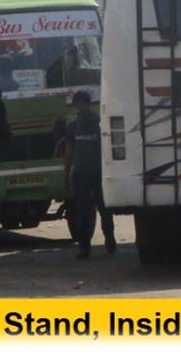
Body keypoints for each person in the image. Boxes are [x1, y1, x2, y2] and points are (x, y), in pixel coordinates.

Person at [64, 90, 115, 258]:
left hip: (96, 173)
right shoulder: (74, 126)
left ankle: (107, 241)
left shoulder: (99, 123)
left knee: (101, 210)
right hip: (83, 174)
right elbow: (69, 152)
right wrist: (67, 176)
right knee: (87, 211)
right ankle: (86, 247)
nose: (82, 107)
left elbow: (107, 148)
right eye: (80, 104)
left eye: (84, 103)